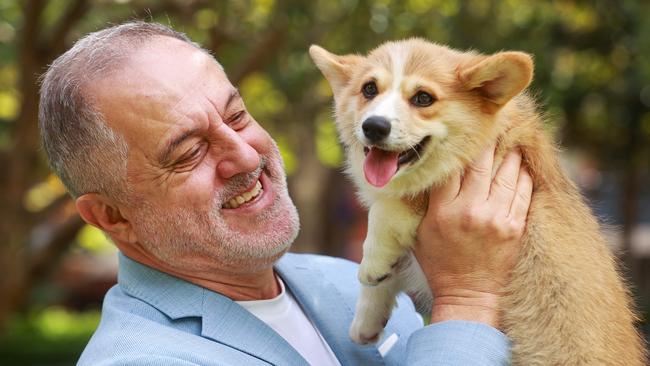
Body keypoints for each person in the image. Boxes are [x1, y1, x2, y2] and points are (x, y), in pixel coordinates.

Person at [38, 22, 532, 365]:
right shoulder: (140, 359)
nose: (249, 157)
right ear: (111, 216)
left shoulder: (349, 283)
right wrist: (468, 300)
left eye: (236, 116)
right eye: (188, 152)